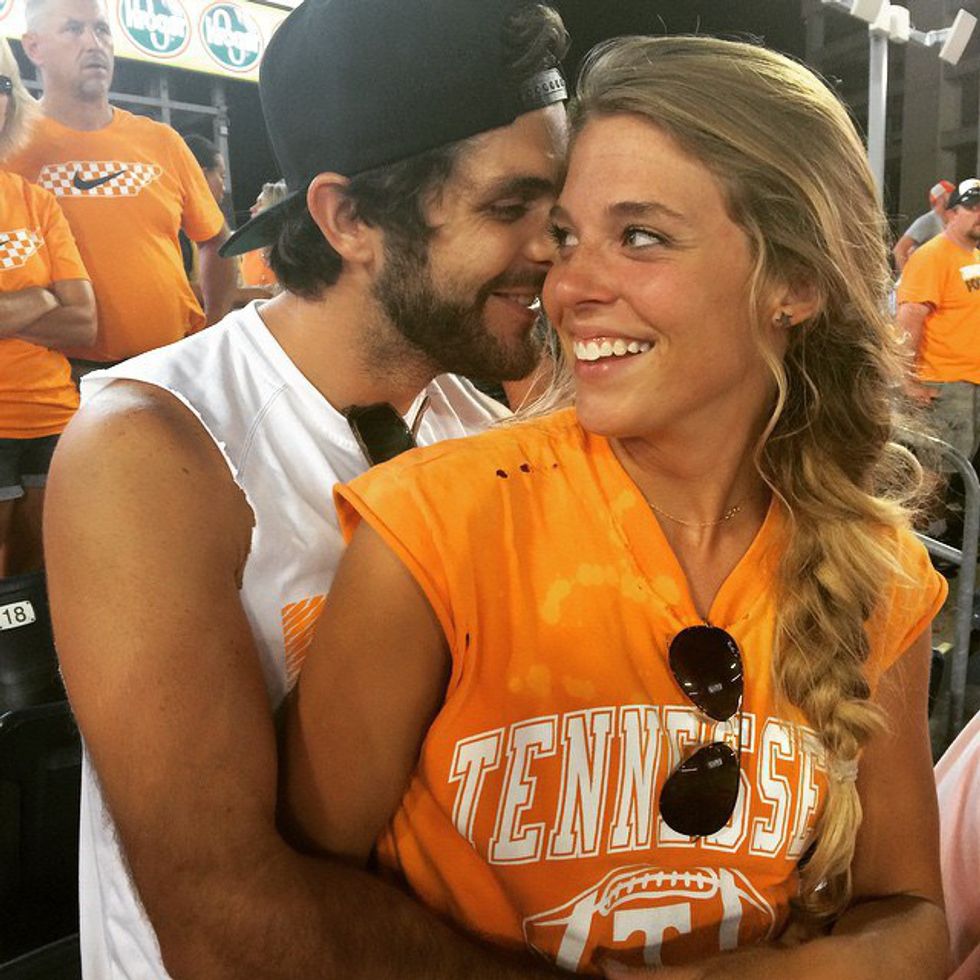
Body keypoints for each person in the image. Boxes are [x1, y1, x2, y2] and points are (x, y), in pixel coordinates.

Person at [283, 35, 949, 977]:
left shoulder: (877, 571)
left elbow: (912, 914)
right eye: (567, 237)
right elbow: (298, 900)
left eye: (641, 237)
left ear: (794, 284)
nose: (569, 287)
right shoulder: (436, 526)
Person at [44, 0, 568, 976]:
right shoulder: (153, 445)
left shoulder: (487, 426)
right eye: (510, 208)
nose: (555, 248)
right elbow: (226, 921)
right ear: (348, 218)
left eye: (558, 209)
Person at [7, 0, 235, 375]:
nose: (93, 43)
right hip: (66, 378)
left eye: (101, 29)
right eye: (73, 29)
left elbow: (217, 242)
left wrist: (214, 327)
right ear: (34, 47)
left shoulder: (161, 141)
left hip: (174, 366)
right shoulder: (12, 150)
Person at [0, 37, 95, 575]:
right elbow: (63, 307)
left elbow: (83, 321)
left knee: (42, 575)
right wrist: (40, 297)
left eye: (0, 84)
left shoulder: (36, 201)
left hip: (55, 418)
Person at [896, 177, 980, 463]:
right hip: (942, 387)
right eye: (972, 207)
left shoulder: (975, 258)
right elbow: (909, 319)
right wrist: (907, 381)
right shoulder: (932, 256)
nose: (979, 214)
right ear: (951, 214)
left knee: (963, 474)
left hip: (970, 386)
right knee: (933, 474)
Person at [893, 179, 953, 272]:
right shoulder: (928, 221)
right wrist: (907, 276)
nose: (954, 198)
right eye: (950, 193)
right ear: (940, 198)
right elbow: (899, 249)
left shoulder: (950, 221)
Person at [239, 179, 286, 289]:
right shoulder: (248, 252)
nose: (252, 209)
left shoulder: (292, 254)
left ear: (274, 210)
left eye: (260, 204)